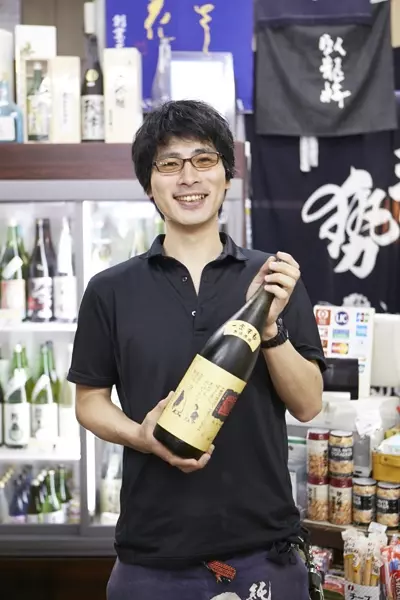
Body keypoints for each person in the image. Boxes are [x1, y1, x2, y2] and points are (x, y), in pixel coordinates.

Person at [67, 100, 326, 600]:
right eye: (169, 163)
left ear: (227, 176)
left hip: (264, 552)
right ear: (149, 185)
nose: (189, 177)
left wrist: (269, 327)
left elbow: (308, 403)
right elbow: (89, 402)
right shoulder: (110, 290)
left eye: (204, 160)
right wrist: (142, 437)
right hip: (151, 556)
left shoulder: (273, 279)